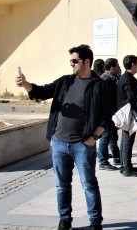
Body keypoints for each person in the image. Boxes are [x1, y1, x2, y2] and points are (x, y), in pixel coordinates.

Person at [15, 44, 108, 230]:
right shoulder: (65, 82)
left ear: (87, 62)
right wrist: (26, 84)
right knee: (62, 185)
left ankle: (95, 222)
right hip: (59, 142)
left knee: (89, 184)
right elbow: (42, 91)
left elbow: (107, 114)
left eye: (75, 61)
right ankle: (65, 219)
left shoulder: (99, 85)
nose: (72, 64)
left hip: (83, 144)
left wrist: (94, 137)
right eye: (71, 61)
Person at [116, 55, 137, 177]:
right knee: (128, 140)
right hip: (128, 113)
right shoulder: (128, 80)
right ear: (132, 65)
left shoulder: (125, 78)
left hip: (125, 112)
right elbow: (132, 98)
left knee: (125, 139)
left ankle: (124, 164)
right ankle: (126, 167)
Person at [98, 58, 121, 170]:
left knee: (113, 136)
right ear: (112, 68)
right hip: (106, 114)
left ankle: (117, 157)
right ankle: (102, 161)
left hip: (111, 113)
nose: (119, 68)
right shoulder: (105, 79)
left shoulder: (111, 78)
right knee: (106, 137)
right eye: (117, 66)